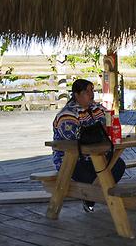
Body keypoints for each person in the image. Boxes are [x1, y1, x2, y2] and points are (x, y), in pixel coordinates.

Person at [52, 79, 125, 212]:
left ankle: (91, 198)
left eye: (92, 90)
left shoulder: (97, 108)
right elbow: (72, 139)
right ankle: (101, 199)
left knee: (118, 165)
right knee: (95, 176)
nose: (91, 94)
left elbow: (109, 124)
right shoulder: (67, 114)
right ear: (76, 95)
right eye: (86, 91)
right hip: (72, 160)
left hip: (97, 157)